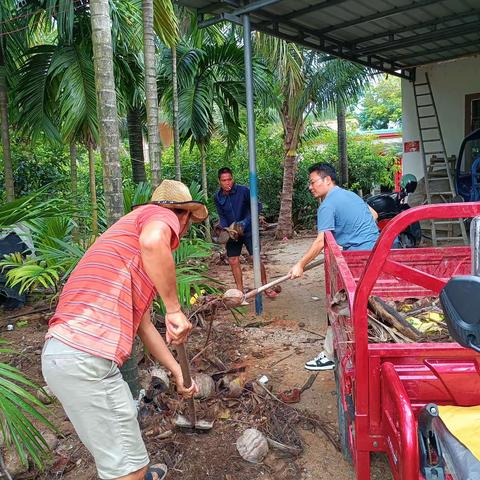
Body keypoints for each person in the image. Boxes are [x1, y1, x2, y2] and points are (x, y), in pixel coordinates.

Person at [41, 180, 208, 480]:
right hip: (87, 360)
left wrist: (178, 373)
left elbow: (144, 327)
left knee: (119, 458)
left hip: (63, 354)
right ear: (181, 216)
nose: (181, 232)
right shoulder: (159, 217)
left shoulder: (128, 255)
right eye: (186, 224)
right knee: (128, 470)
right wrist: (173, 308)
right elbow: (154, 240)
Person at [289, 163, 379, 371]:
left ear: (327, 180)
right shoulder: (351, 196)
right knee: (365, 303)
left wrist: (300, 265)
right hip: (375, 254)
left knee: (340, 305)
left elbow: (321, 241)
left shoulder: (327, 205)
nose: (310, 187)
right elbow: (373, 215)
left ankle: (331, 354)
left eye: (313, 182)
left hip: (357, 261)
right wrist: (347, 238)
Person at [214, 167, 277, 298]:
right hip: (233, 233)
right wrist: (226, 229)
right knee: (233, 260)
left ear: (233, 178)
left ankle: (265, 286)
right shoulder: (218, 197)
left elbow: (258, 206)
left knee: (256, 258)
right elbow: (222, 216)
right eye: (224, 180)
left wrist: (244, 223)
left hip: (249, 230)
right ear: (219, 181)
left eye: (229, 179)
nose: (227, 183)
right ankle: (240, 292)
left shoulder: (244, 191)